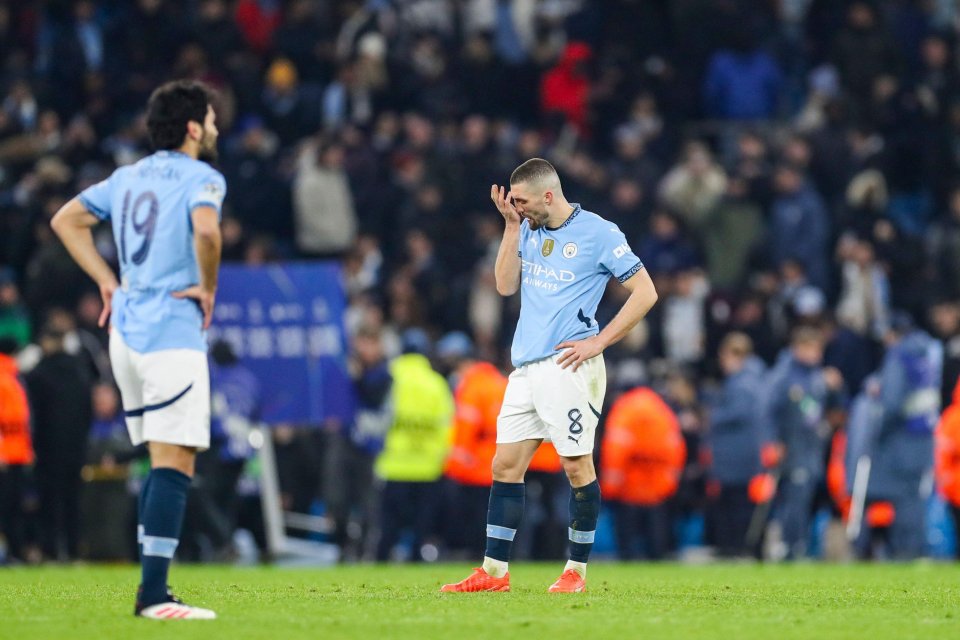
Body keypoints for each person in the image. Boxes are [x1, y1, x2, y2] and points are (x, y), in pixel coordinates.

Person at [442, 158, 658, 593]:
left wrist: (598, 342)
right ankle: (494, 572)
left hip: (569, 365)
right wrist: (508, 227)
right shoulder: (525, 228)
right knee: (504, 465)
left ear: (548, 195)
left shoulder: (599, 233)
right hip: (525, 367)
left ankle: (575, 572)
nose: (516, 208)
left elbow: (646, 292)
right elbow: (504, 286)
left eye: (520, 202)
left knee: (576, 466)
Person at [50, 80, 223, 619]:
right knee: (175, 461)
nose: (215, 127)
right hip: (171, 331)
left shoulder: (125, 177)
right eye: (211, 119)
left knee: (159, 458)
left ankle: (154, 589)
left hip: (124, 332)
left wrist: (107, 279)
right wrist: (209, 285)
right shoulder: (202, 176)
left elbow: (66, 220)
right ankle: (152, 595)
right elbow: (207, 232)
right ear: (193, 127)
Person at [25, 323, 93, 562]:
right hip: (76, 448)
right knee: (73, 501)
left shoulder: (39, 373)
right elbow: (88, 411)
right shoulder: (80, 371)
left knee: (49, 501)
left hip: (47, 449)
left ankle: (50, 550)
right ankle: (74, 550)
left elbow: (33, 415)